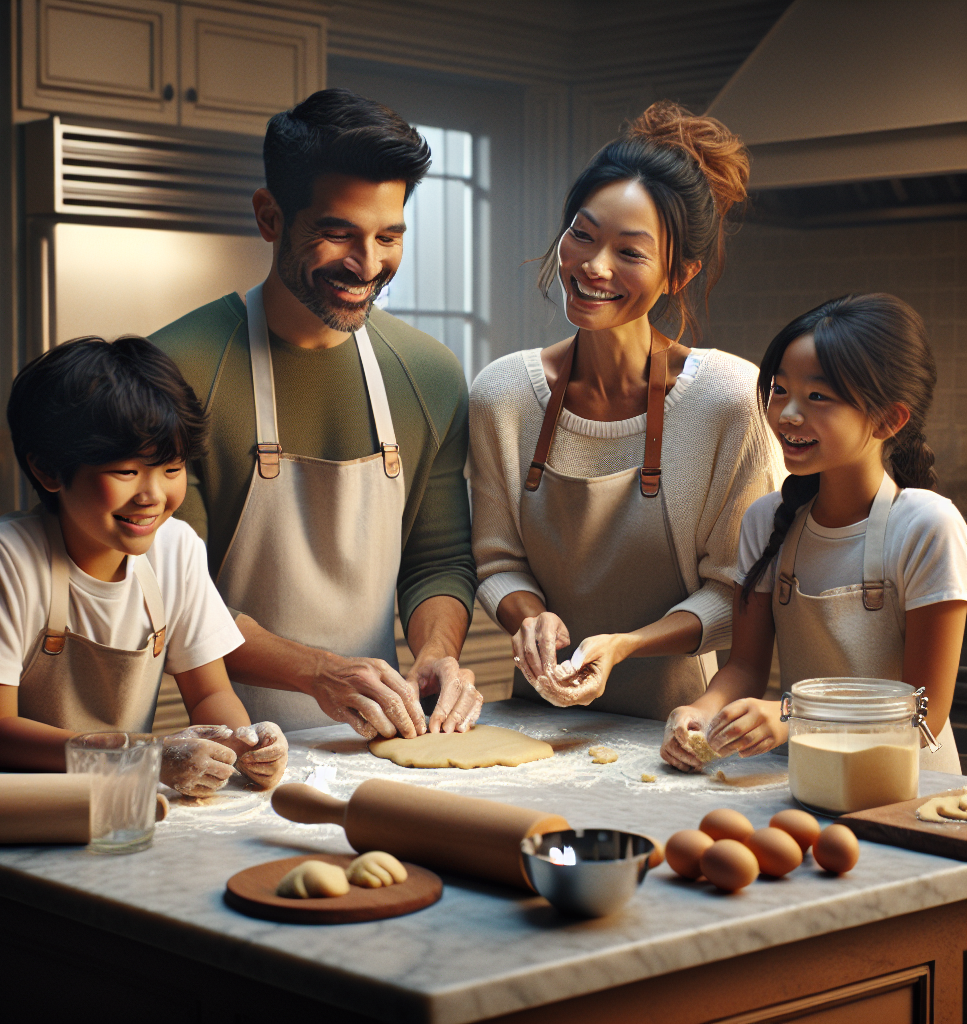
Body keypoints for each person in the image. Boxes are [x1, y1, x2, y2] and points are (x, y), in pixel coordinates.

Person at [151, 89, 480, 740]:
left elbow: (436, 561)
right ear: (270, 217)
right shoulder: (174, 370)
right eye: (338, 233)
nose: (367, 265)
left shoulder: (430, 375)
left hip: (380, 746)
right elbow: (174, 597)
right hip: (231, 753)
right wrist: (319, 673)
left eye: (388, 236)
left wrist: (438, 652)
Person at [469, 101, 783, 718]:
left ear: (679, 274)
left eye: (630, 252)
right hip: (537, 724)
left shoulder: (730, 400)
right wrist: (530, 619)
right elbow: (496, 561)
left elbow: (735, 591)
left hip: (679, 727)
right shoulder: (502, 394)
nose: (593, 266)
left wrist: (627, 646)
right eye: (581, 235)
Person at [0, 337, 289, 796]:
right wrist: (141, 759)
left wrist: (240, 745)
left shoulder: (177, 548)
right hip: (2, 809)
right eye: (126, 472)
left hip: (113, 800)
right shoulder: (5, 556)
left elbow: (209, 693)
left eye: (171, 468)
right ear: (48, 470)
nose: (152, 495)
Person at [661, 294, 966, 774]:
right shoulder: (766, 521)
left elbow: (923, 717)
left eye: (817, 397)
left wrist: (794, 719)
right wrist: (700, 712)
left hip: (912, 794)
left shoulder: (929, 527)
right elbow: (743, 668)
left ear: (889, 419)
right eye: (780, 390)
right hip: (806, 779)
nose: (787, 414)